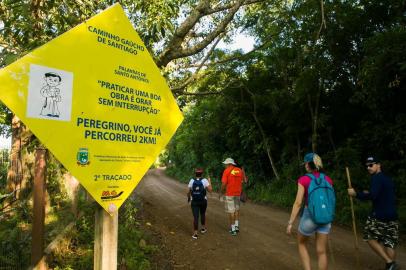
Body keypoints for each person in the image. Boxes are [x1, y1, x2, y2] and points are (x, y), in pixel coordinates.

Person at [348, 156, 399, 270]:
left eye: (371, 165)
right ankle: (391, 267)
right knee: (389, 243)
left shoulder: (376, 178)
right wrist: (369, 193)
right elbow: (381, 195)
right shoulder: (387, 179)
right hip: (392, 216)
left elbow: (373, 195)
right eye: (367, 166)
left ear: (378, 165)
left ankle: (389, 262)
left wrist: (356, 194)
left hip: (379, 215)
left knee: (369, 237)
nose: (368, 168)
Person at [286, 153, 334, 270]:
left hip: (310, 217)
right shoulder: (327, 179)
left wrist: (290, 222)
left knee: (302, 244)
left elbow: (298, 203)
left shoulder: (304, 180)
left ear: (308, 165)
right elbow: (329, 200)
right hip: (325, 218)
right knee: (321, 251)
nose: (305, 166)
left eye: (305, 163)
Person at [220, 157, 247, 236]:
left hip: (230, 194)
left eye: (225, 164)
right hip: (238, 194)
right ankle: (236, 226)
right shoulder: (239, 170)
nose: (225, 165)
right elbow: (245, 181)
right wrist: (243, 172)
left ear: (229, 164)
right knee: (237, 210)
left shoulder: (226, 171)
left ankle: (233, 230)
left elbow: (224, 184)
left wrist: (221, 192)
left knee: (231, 211)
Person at [187, 168, 212, 240]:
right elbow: (210, 190)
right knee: (202, 213)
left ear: (195, 174)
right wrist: (209, 181)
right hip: (203, 201)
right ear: (202, 174)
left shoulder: (192, 181)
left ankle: (195, 234)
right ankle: (203, 229)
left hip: (194, 201)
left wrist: (189, 197)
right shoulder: (204, 180)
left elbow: (188, 191)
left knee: (195, 217)